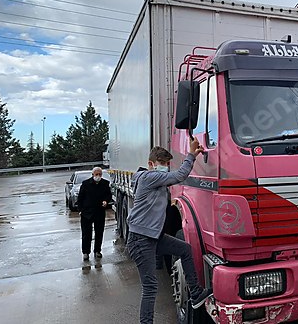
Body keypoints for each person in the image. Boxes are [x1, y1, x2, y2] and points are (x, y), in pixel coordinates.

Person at [127, 138, 211, 324]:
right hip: (141, 239)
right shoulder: (149, 177)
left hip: (152, 237)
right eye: (162, 164)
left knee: (185, 250)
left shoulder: (154, 181)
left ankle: (196, 294)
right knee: (150, 287)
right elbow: (179, 175)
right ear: (151, 164)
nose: (165, 167)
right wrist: (191, 154)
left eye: (167, 164)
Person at [77, 167, 112, 261]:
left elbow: (109, 195)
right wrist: (80, 210)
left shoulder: (105, 184)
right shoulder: (86, 184)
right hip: (87, 213)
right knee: (86, 234)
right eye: (96, 174)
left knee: (99, 233)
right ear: (92, 175)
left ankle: (97, 251)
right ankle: (85, 252)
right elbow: (80, 198)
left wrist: (106, 201)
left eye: (100, 174)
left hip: (99, 212)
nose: (98, 176)